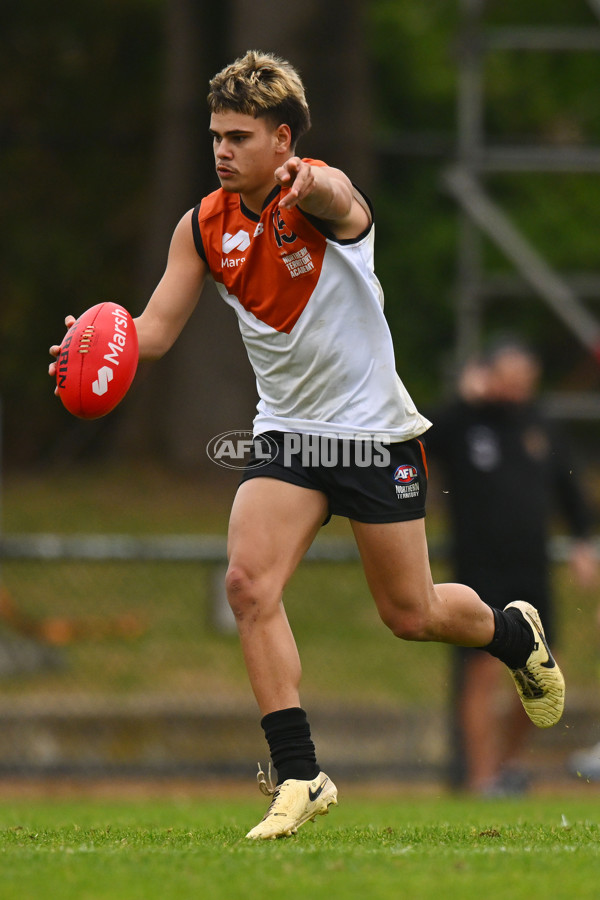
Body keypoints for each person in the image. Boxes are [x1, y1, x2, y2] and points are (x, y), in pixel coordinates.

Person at [49, 51, 566, 839]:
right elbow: (152, 330)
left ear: (282, 139)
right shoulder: (202, 226)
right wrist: (96, 339)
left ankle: (511, 633)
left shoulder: (319, 197)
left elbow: (343, 198)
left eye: (239, 136)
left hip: (372, 436)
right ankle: (300, 774)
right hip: (287, 435)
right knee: (248, 586)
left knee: (412, 613)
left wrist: (314, 184)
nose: (221, 150)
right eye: (215, 135)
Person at [427, 341, 597, 795]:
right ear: (488, 373)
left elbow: (571, 491)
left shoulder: (540, 426)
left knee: (543, 671)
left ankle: (504, 767)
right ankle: (482, 779)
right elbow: (419, 439)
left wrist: (584, 540)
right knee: (482, 671)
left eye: (527, 375)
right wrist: (463, 400)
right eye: (509, 373)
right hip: (479, 572)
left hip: (532, 570)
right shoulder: (463, 423)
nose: (519, 383)